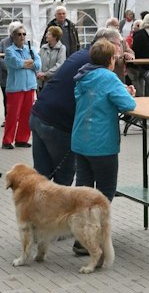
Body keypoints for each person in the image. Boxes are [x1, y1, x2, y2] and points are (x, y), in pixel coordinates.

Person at [32, 28, 124, 182]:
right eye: (118, 45)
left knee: (41, 177)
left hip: (40, 113)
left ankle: (35, 198)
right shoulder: (96, 62)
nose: (120, 50)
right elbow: (114, 95)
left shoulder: (82, 54)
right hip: (59, 122)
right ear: (107, 44)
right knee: (63, 176)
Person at [70, 38, 136, 199]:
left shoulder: (83, 75)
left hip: (81, 139)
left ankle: (83, 215)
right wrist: (127, 93)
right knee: (105, 190)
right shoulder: (109, 77)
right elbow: (128, 105)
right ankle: (98, 216)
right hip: (102, 143)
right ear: (110, 59)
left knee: (83, 190)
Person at [1, 25, 39, 150]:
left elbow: (38, 64)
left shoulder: (31, 49)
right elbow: (15, 63)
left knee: (27, 115)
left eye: (24, 34)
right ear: (13, 37)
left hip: (30, 86)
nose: (22, 36)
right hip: (16, 87)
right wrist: (29, 62)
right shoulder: (9, 51)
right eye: (19, 34)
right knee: (13, 115)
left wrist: (26, 63)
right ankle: (7, 140)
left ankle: (22, 139)